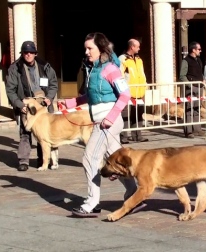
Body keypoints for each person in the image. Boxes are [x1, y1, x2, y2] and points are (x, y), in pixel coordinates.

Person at [59, 32, 143, 217]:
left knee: (89, 158)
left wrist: (110, 118)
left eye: (90, 48)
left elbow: (125, 94)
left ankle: (91, 202)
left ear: (101, 48)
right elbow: (91, 96)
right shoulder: (94, 70)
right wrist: (69, 103)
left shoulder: (110, 68)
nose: (87, 52)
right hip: (102, 121)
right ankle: (134, 197)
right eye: (86, 48)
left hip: (107, 124)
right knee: (118, 162)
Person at [5, 41, 58, 171]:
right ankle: (23, 161)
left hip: (43, 104)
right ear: (22, 54)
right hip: (26, 104)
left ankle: (43, 160)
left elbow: (53, 83)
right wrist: (19, 104)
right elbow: (10, 90)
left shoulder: (45, 66)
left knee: (44, 133)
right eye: (25, 52)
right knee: (25, 133)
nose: (28, 55)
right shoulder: (15, 68)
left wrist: (50, 97)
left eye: (31, 52)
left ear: (35, 53)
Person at [118, 38, 148, 143]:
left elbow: (142, 75)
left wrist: (144, 90)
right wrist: (124, 91)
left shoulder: (139, 59)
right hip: (127, 92)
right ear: (132, 47)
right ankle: (123, 136)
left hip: (139, 92)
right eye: (138, 46)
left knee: (139, 114)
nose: (139, 49)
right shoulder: (122, 59)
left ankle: (137, 136)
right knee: (125, 115)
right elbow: (119, 76)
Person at [179, 41, 205, 138]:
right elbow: (182, 76)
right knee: (189, 109)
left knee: (197, 108)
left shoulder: (199, 60)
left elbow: (199, 72)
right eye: (198, 49)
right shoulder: (186, 61)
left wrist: (202, 80)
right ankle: (188, 131)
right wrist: (189, 85)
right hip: (191, 87)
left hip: (199, 87)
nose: (200, 51)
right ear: (193, 50)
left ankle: (197, 129)